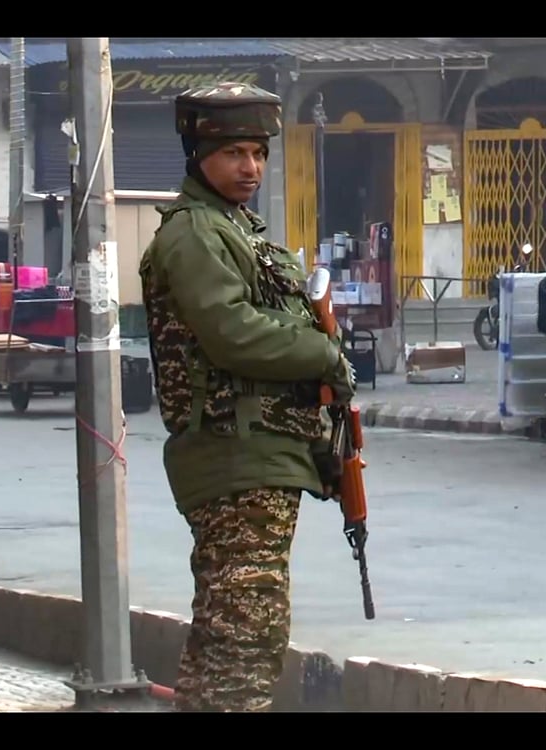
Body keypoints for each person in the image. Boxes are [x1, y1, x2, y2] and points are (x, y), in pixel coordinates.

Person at [138, 82, 356, 713]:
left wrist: (318, 443)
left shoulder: (239, 230)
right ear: (198, 152)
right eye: (234, 152)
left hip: (259, 450)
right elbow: (232, 334)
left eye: (258, 152)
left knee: (226, 628)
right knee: (246, 633)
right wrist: (324, 354)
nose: (250, 167)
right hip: (231, 452)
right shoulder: (195, 233)